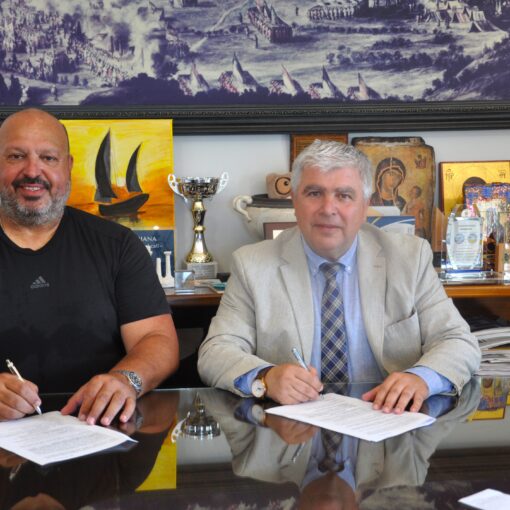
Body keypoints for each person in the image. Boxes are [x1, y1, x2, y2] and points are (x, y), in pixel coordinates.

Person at [198, 140, 480, 413]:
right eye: (314, 193)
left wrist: (421, 378)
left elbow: (458, 341)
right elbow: (215, 352)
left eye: (344, 195)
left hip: (386, 426)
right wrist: (265, 378)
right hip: (288, 432)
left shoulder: (409, 259)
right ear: (294, 200)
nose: (328, 209)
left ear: (365, 205)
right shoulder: (252, 265)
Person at [0, 108, 179, 425]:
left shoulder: (118, 245)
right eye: (16, 156)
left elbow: (157, 340)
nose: (32, 171)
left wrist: (126, 380)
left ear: (68, 166)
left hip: (99, 429)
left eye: (48, 158)